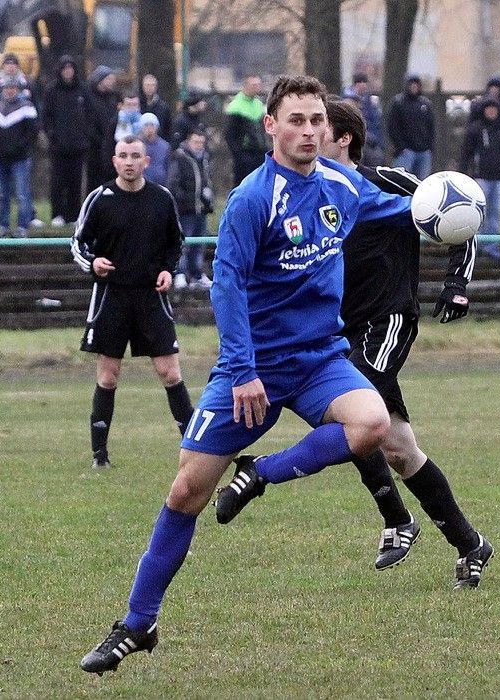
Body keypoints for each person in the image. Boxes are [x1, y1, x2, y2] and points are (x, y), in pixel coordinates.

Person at [79, 74, 411, 675]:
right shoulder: (253, 199)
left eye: (317, 121)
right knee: (187, 491)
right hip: (254, 365)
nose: (309, 132)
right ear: (271, 125)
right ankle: (137, 622)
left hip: (319, 359)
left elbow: (403, 210)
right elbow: (226, 286)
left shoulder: (343, 184)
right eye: (297, 121)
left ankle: (260, 472)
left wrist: (448, 208)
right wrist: (241, 369)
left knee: (372, 424)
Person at [291, 97, 492, 585]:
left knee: (351, 412)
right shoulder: (313, 192)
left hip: (388, 320)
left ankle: (398, 521)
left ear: (344, 138)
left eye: (320, 125)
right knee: (398, 448)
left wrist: (457, 284)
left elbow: (458, 213)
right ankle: (471, 544)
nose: (309, 133)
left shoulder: (389, 181)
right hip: (340, 329)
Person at [71, 136, 194, 470]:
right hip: (111, 297)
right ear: (115, 161)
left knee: (170, 372)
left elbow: (176, 242)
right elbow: (78, 243)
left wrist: (168, 270)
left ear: (146, 161)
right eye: (123, 156)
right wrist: (93, 263)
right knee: (108, 376)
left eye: (135, 156)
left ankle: (197, 450)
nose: (129, 161)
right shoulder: (99, 198)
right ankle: (100, 457)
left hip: (151, 296)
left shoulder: (161, 198)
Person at [458, 95, 500, 262]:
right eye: (488, 108)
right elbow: (466, 154)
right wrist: (462, 174)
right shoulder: (475, 129)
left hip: (499, 179)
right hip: (480, 178)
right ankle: (475, 245)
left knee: (495, 212)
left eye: (494, 108)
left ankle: (492, 246)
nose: (491, 111)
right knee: (478, 212)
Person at [0, 74, 38, 238]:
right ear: (3, 89)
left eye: (13, 88)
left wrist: (20, 148)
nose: (10, 91)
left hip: (20, 158)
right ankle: (2, 226)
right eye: (7, 88)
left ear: (17, 89)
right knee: (2, 195)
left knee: (22, 194)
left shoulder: (26, 107)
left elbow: (32, 133)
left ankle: (22, 227)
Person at [42, 54, 90, 227]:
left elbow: (89, 114)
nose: (68, 72)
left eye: (71, 68)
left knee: (75, 182)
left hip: (78, 146)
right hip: (58, 146)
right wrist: (52, 134)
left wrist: (84, 135)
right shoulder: (51, 90)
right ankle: (57, 213)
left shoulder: (82, 90)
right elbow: (46, 116)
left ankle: (73, 215)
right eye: (65, 69)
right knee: (57, 182)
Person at [167, 128, 214, 291]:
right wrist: (184, 200)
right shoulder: (180, 158)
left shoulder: (205, 158)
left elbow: (206, 180)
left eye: (201, 142)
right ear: (188, 141)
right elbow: (173, 183)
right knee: (184, 242)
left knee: (199, 243)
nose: (199, 145)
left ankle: (197, 274)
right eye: (196, 142)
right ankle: (180, 273)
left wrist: (208, 197)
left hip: (201, 208)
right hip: (185, 209)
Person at [224, 74, 269, 186]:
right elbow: (229, 134)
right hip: (244, 154)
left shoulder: (258, 104)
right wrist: (239, 154)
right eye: (254, 85)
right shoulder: (236, 106)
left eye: (259, 85)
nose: (257, 88)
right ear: (245, 86)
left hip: (259, 153)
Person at [386, 75, 434, 179]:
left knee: (422, 183)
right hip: (405, 152)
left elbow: (431, 127)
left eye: (416, 85)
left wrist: (429, 147)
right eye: (412, 84)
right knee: (401, 181)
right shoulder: (398, 103)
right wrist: (401, 147)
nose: (414, 87)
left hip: (423, 151)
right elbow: (392, 126)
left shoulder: (425, 104)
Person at [87, 66, 120, 191]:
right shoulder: (90, 98)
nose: (112, 82)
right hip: (95, 148)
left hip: (112, 146)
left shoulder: (114, 98)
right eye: (109, 79)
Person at [343, 72, 384, 166]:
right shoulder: (346, 100)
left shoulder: (370, 101)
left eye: (365, 83)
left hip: (371, 141)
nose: (364, 85)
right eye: (361, 82)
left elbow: (376, 122)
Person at [140, 112, 171, 187]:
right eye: (146, 125)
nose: (149, 129)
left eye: (152, 125)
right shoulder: (137, 145)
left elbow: (168, 167)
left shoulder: (165, 146)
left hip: (161, 185)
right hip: (142, 185)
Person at [139, 74, 172, 141]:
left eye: (152, 85)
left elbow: (168, 128)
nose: (150, 88)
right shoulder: (137, 105)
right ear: (143, 86)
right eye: (147, 85)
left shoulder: (163, 107)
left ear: (156, 87)